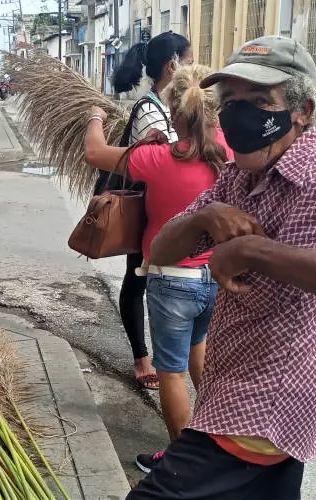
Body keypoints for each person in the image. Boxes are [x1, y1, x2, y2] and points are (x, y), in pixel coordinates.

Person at [130, 36, 316, 498]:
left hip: (262, 401)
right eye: (232, 101)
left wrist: (254, 251)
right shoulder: (240, 172)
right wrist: (202, 216)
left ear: (301, 110)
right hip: (234, 386)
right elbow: (160, 251)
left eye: (260, 101)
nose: (241, 114)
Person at [84, 64, 233, 474]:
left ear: (174, 112)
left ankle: (180, 463)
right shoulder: (229, 150)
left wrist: (95, 116)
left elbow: (95, 153)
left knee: (171, 372)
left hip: (172, 283)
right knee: (199, 350)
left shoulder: (158, 158)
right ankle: (216, 441)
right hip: (213, 278)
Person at [95, 31, 194, 392]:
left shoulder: (170, 105)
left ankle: (169, 358)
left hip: (168, 212)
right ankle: (142, 358)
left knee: (155, 281)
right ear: (173, 65)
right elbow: (162, 161)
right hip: (147, 212)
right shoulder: (150, 109)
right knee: (137, 279)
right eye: (190, 59)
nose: (192, 66)